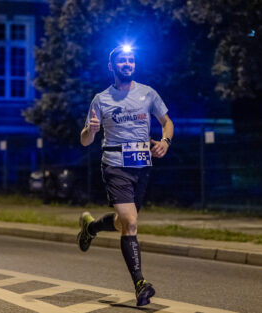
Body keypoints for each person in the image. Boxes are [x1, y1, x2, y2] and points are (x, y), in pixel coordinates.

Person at [78, 45, 174, 306]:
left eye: (131, 60)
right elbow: (85, 141)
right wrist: (92, 130)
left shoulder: (148, 94)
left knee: (124, 223)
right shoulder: (101, 99)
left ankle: (91, 226)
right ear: (112, 66)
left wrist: (165, 141)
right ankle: (140, 284)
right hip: (115, 165)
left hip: (142, 166)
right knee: (130, 222)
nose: (128, 63)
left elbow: (167, 122)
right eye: (122, 60)